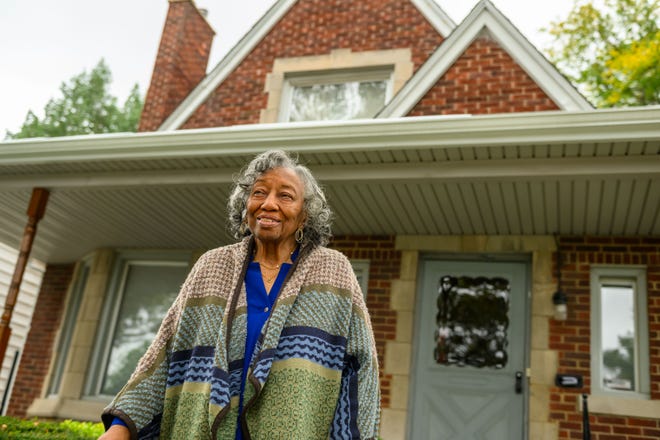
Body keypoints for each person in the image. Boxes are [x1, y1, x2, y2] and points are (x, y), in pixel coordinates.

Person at [99, 149, 380, 439]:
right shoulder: (212, 266)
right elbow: (166, 354)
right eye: (259, 193)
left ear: (304, 215)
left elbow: (360, 371)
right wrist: (121, 427)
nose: (269, 204)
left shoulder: (334, 271)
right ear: (245, 205)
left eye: (285, 196)